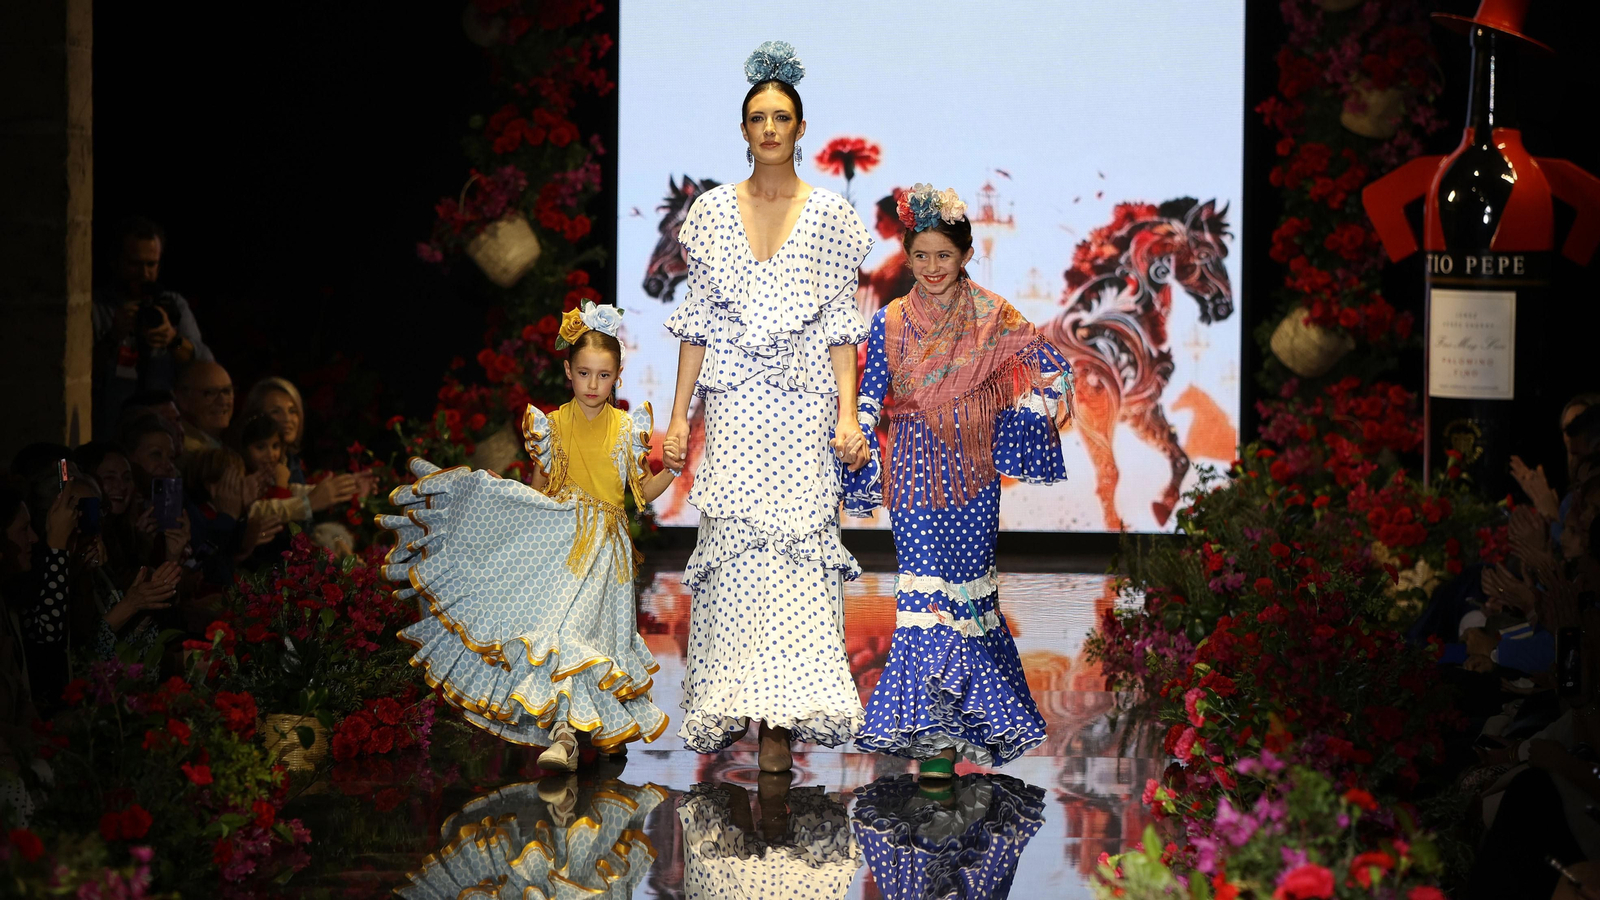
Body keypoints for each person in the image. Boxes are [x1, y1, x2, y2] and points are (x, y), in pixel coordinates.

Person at [659, 40, 873, 773]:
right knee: (739, 563)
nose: (771, 128)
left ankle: (781, 730)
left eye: (783, 116)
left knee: (794, 568)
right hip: (738, 413)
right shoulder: (713, 213)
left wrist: (848, 414)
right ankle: (742, 705)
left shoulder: (832, 218)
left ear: (801, 128)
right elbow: (698, 325)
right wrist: (679, 415)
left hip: (804, 417)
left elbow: (843, 324)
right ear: (743, 130)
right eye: (759, 117)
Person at [382, 303, 676, 770]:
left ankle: (598, 723)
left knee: (595, 638)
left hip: (607, 553)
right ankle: (564, 735)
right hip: (557, 541)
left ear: (618, 374)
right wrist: (512, 524)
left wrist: (672, 472)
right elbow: (538, 489)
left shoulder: (626, 428)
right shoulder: (552, 425)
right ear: (567, 371)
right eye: (584, 373)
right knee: (559, 635)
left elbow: (638, 493)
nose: (593, 385)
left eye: (603, 375)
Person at [851, 185, 1073, 778]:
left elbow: (1051, 368)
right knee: (924, 601)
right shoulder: (891, 322)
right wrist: (858, 430)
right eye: (920, 256)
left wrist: (1020, 413)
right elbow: (870, 392)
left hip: (974, 479)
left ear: (966, 255)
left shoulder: (993, 316)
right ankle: (934, 743)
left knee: (970, 601)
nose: (931, 268)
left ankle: (965, 727)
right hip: (915, 476)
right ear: (907, 254)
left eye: (943, 256)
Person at [91, 217, 213, 436]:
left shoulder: (173, 305)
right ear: (115, 261)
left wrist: (173, 340)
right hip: (112, 427)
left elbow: (205, 368)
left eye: (151, 264)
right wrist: (113, 337)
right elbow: (83, 372)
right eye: (134, 264)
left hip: (166, 430)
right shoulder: (97, 307)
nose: (144, 274)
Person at [240, 376, 365, 510]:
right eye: (276, 411)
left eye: (292, 411)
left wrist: (350, 486)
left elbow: (302, 498)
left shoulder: (291, 462)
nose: (287, 419)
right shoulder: (245, 469)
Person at [174, 361, 235, 455]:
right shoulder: (189, 453)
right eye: (210, 393)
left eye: (226, 391)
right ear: (183, 400)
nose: (222, 401)